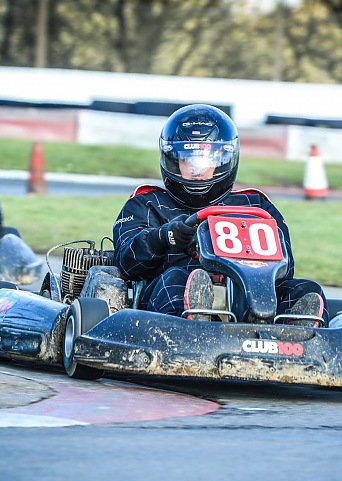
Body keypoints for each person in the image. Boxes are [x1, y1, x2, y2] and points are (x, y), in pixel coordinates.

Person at [113, 103, 328, 325]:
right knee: (180, 279)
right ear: (173, 159)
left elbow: (286, 268)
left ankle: (296, 336)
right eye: (188, 160)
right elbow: (127, 264)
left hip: (248, 294)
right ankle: (195, 321)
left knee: (306, 289)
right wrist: (165, 237)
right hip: (170, 295)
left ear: (224, 159)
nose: (197, 171)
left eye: (206, 160)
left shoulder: (256, 206)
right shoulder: (147, 203)